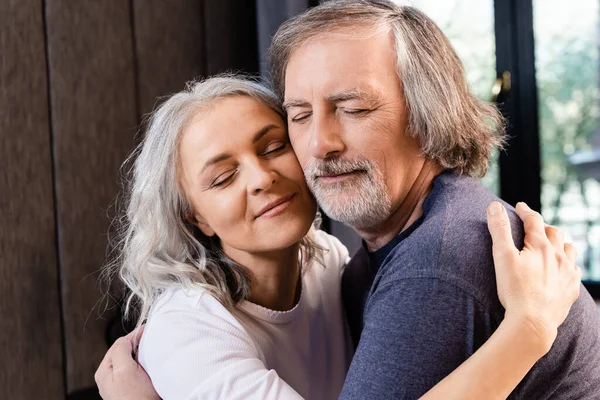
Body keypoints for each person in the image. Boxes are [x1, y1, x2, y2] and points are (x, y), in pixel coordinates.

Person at [97, 0, 600, 397]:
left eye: (353, 108)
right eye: (299, 115)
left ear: (426, 113)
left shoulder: (419, 265)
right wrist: (529, 331)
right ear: (193, 215)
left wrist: (530, 330)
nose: (319, 144)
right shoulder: (353, 267)